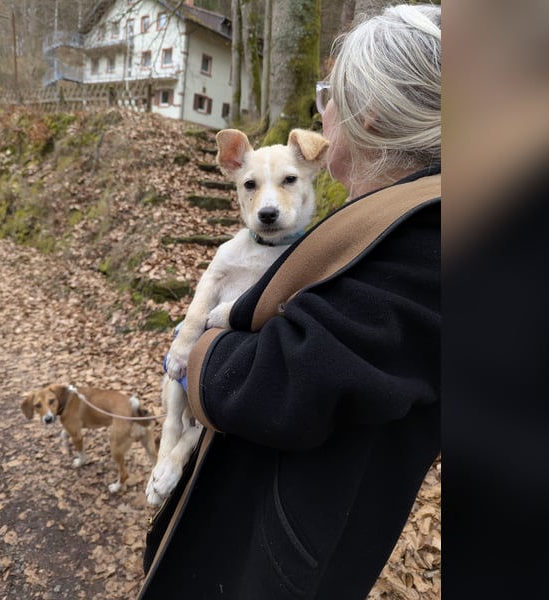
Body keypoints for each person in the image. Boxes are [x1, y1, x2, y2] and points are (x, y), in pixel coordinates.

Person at [138, 4, 441, 599]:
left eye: (328, 96)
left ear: (369, 119)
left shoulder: (423, 239)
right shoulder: (396, 225)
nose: (320, 111)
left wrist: (201, 348)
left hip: (280, 561)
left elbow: (280, 384)